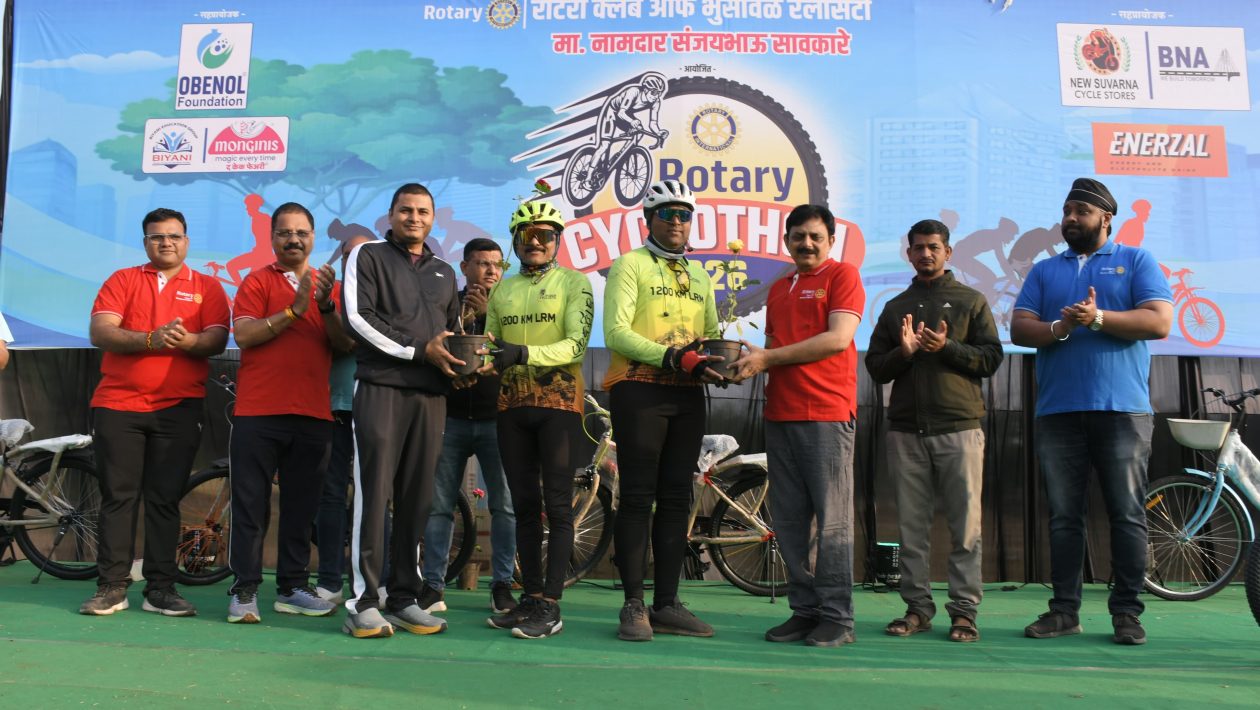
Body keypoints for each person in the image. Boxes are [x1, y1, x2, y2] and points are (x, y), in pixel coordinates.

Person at [1011, 177, 1172, 646]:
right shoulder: (1045, 271)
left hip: (1122, 412)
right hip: (1058, 412)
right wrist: (1060, 327)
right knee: (1064, 517)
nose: (1070, 219)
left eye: (1081, 211)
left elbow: (1159, 321)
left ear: (1106, 218)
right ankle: (1064, 611)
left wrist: (1099, 318)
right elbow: (1020, 328)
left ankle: (1127, 613)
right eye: (1067, 211)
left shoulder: (1135, 260)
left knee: (1126, 515)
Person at [80, 208, 230, 616]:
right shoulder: (123, 279)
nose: (166, 243)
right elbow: (101, 332)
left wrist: (186, 341)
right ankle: (112, 587)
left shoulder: (207, 287)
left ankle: (161, 589)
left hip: (178, 409)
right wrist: (152, 338)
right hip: (117, 406)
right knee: (118, 498)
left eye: (174, 236)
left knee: (164, 499)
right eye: (157, 237)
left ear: (186, 241)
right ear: (145, 242)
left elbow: (217, 339)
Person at [728, 204, 864, 647]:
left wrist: (766, 358)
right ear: (786, 240)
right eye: (798, 236)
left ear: (830, 241)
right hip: (781, 414)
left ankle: (837, 617)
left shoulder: (842, 276)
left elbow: (838, 339)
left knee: (832, 523)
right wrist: (747, 362)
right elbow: (773, 349)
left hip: (826, 413)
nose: (807, 244)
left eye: (815, 237)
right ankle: (805, 611)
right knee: (788, 522)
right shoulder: (780, 287)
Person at [864, 219, 1003, 643]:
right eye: (919, 247)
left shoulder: (971, 301)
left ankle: (964, 612)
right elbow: (875, 367)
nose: (926, 253)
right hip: (906, 431)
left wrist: (948, 348)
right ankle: (918, 610)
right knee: (911, 530)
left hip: (960, 429)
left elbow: (991, 358)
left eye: (934, 247)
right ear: (908, 253)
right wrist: (904, 353)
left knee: (966, 530)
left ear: (948, 252)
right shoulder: (895, 307)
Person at [341, 183, 467, 638]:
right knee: (374, 495)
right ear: (391, 214)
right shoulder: (368, 255)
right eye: (406, 210)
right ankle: (363, 601)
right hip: (381, 388)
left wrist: (466, 364)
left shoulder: (444, 271)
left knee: (418, 499)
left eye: (423, 212)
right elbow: (357, 319)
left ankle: (402, 598)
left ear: (432, 218)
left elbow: (451, 333)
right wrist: (419, 350)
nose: (414, 218)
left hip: (431, 396)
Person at [603, 179, 725, 642]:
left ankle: (668, 603)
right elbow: (616, 333)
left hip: (687, 395)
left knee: (678, 497)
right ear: (648, 219)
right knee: (638, 496)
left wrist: (721, 360)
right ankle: (633, 603)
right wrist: (674, 357)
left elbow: (710, 334)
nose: (676, 222)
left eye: (684, 215)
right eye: (667, 213)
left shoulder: (700, 275)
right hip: (638, 390)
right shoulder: (629, 264)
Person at [225, 202, 354, 623]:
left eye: (301, 233)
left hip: (314, 413)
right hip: (258, 412)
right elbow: (244, 334)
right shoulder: (256, 281)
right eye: (285, 232)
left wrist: (325, 306)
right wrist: (293, 310)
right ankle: (244, 589)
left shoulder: (330, 286)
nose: (293, 239)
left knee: (301, 507)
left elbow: (344, 346)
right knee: (251, 505)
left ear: (313, 238)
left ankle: (293, 588)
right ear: (272, 238)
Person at [482, 201, 593, 639]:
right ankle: (530, 596)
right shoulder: (502, 290)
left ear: (557, 241)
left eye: (545, 235)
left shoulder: (575, 283)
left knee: (558, 506)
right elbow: (491, 347)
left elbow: (576, 345)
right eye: (527, 235)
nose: (535, 242)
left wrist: (523, 353)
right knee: (525, 506)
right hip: (511, 406)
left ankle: (551, 603)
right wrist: (472, 362)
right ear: (515, 241)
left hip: (558, 406)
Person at [418, 237, 517, 616]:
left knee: (504, 506)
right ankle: (433, 585)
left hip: (497, 418)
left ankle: (502, 584)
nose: (491, 271)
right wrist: (464, 316)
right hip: (451, 415)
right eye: (482, 263)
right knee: (439, 506)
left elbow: (518, 349)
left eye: (497, 264)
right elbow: (435, 345)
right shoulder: (448, 302)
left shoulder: (510, 306)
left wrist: (490, 314)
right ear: (464, 267)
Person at [314, 233, 376, 604]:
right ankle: (329, 580)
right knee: (331, 495)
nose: (353, 260)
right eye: (347, 254)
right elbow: (338, 344)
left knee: (375, 498)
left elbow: (352, 342)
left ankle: (375, 581)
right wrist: (326, 307)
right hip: (334, 406)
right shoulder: (327, 294)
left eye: (362, 254)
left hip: (377, 407)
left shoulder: (386, 293)